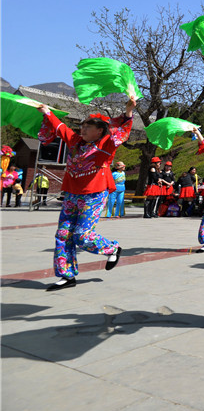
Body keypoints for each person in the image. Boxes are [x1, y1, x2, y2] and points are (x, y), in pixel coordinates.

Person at [36, 97, 136, 290]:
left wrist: (128, 112)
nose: (82, 130)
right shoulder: (74, 141)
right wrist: (47, 111)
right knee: (63, 234)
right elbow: (59, 127)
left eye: (88, 127)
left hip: (94, 193)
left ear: (99, 131)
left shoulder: (106, 144)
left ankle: (112, 248)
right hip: (72, 193)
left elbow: (122, 132)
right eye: (82, 126)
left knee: (82, 235)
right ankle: (67, 275)